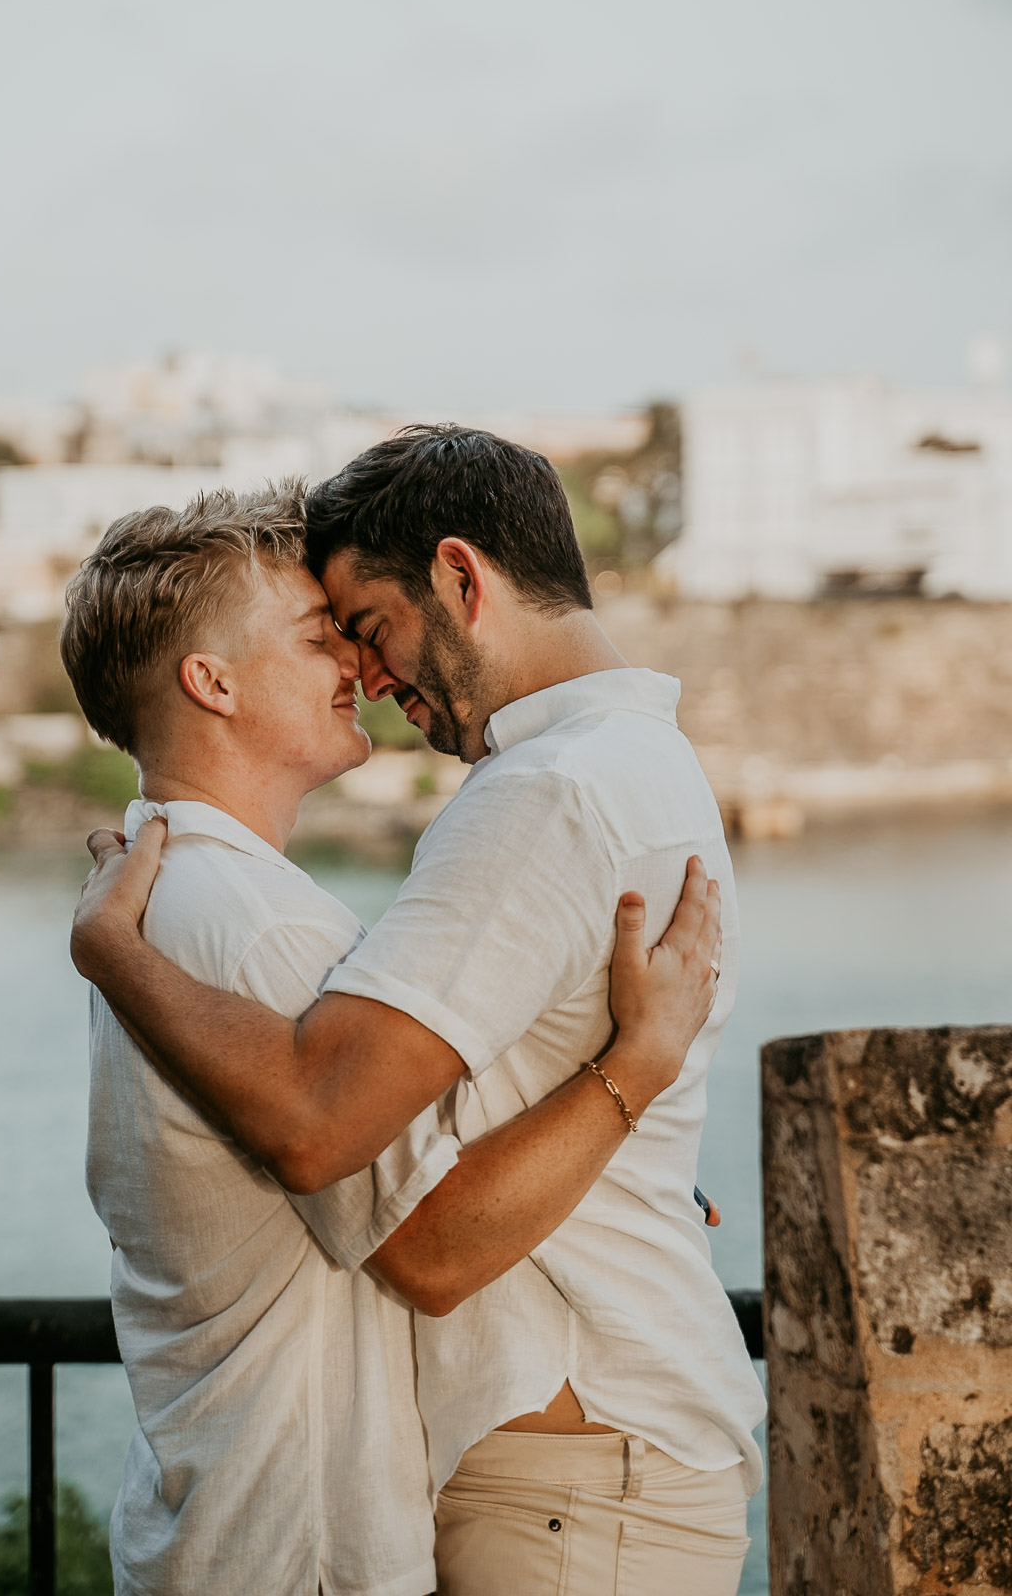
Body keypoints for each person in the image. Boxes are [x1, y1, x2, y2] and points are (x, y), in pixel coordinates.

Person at [73, 426, 767, 1596]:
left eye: (368, 627)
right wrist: (626, 1114)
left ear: (461, 578)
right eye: (330, 638)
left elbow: (386, 1196)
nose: (369, 671)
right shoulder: (630, 761)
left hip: (580, 1472)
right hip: (572, 1469)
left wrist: (108, 951)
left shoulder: (548, 794)